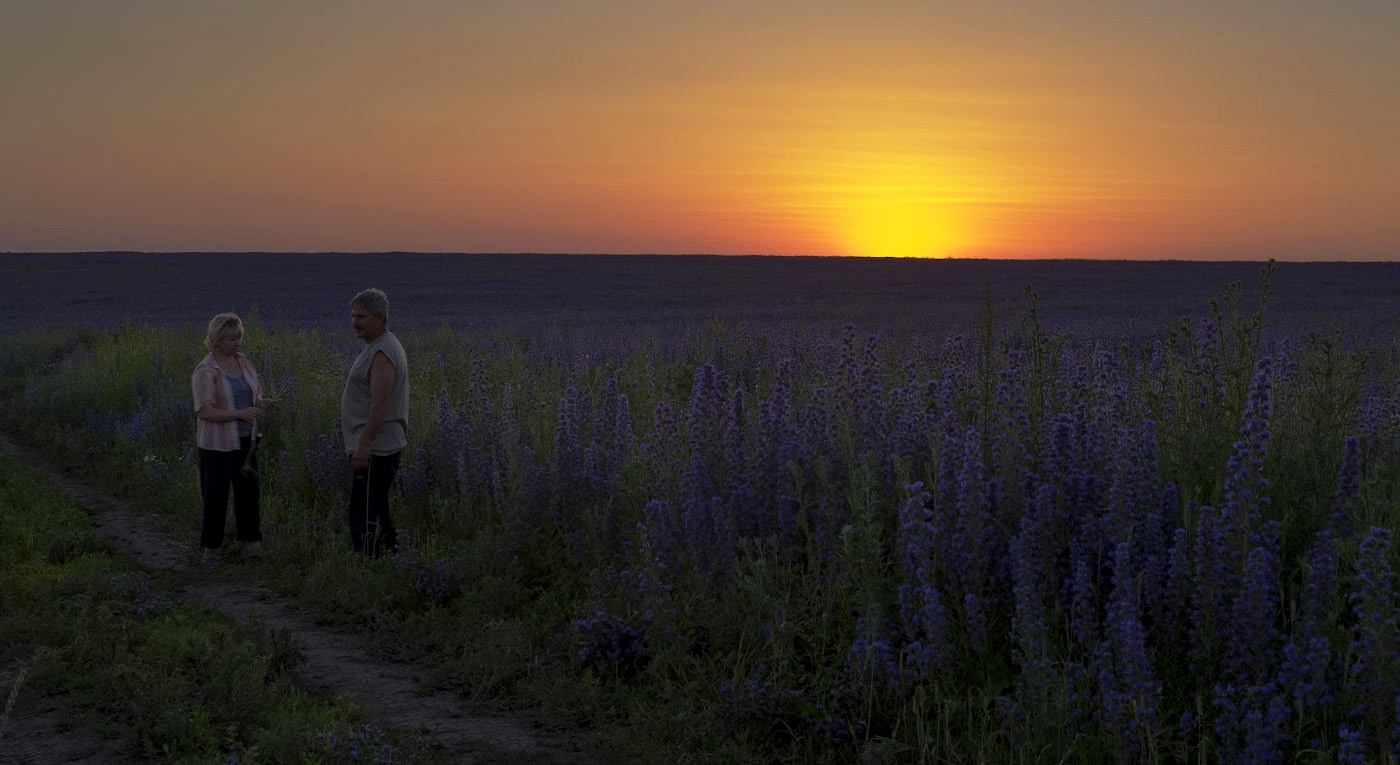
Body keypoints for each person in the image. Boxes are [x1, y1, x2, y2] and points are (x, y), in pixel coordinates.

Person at [191, 313, 274, 567]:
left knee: (249, 494)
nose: (237, 343)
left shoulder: (244, 362)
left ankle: (253, 547)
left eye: (239, 337)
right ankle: (211, 551)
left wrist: (260, 402)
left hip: (245, 443)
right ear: (216, 340)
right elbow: (203, 410)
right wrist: (239, 413)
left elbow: (251, 393)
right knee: (215, 498)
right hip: (216, 445)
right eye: (231, 339)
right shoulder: (206, 370)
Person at [341, 288, 409, 556]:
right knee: (377, 508)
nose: (355, 322)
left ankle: (368, 564)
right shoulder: (378, 346)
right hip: (377, 446)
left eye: (362, 316)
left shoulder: (383, 352)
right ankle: (390, 557)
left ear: (380, 318)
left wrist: (363, 446)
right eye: (353, 315)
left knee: (364, 513)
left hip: (376, 449)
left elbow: (380, 405)